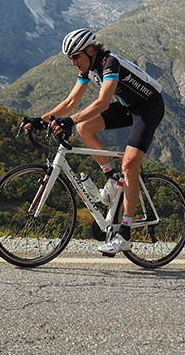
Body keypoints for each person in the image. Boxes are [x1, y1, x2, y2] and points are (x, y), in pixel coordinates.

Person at [40, 28, 165, 255]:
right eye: (70, 58)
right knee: (83, 127)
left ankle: (125, 234)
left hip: (149, 108)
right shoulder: (88, 69)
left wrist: (69, 120)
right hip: (128, 107)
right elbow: (70, 101)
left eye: (76, 56)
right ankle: (111, 178)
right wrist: (42, 121)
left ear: (90, 50)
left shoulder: (110, 63)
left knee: (129, 166)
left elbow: (104, 101)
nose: (73, 62)